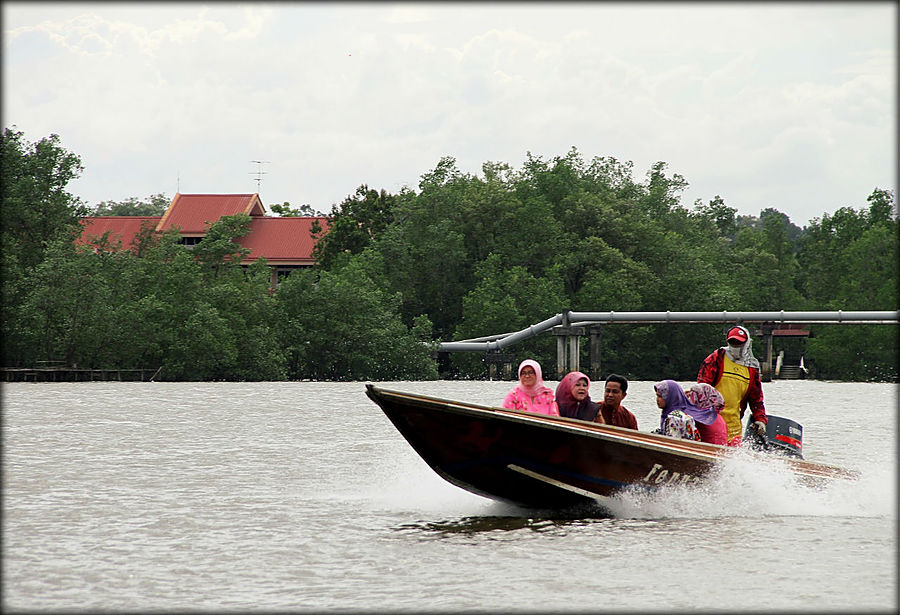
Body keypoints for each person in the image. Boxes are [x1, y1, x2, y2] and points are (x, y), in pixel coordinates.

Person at [697, 325, 768, 446]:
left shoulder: (752, 368)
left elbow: (756, 399)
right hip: (710, 422)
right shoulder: (716, 358)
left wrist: (760, 420)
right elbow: (701, 389)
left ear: (746, 344)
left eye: (739, 343)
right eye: (732, 342)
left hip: (734, 427)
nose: (735, 346)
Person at [654, 379, 725, 444]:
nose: (690, 399)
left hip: (705, 450)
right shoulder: (715, 416)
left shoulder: (676, 416)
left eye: (693, 396)